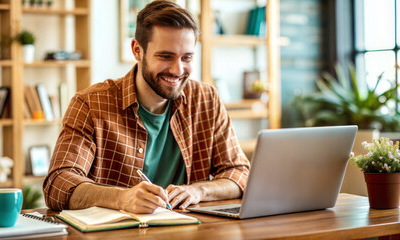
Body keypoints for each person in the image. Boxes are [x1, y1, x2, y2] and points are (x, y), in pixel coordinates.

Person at [43, 0, 250, 213]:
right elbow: (58, 184)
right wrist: (121, 198)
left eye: (186, 58)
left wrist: (199, 191)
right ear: (137, 50)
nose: (178, 70)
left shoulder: (207, 99)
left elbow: (240, 172)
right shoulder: (90, 104)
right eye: (165, 56)